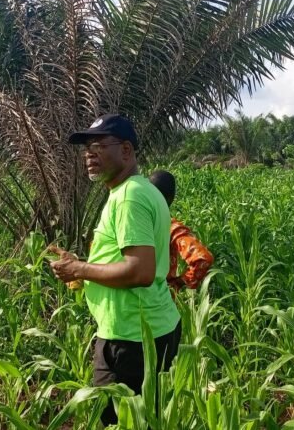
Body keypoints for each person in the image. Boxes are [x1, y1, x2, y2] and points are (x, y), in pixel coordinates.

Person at [49, 114, 180, 426]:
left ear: (125, 150)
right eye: (86, 148)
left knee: (121, 421)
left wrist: (79, 268)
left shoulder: (129, 197)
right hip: (143, 329)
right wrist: (81, 266)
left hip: (133, 339)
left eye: (98, 145)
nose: (89, 154)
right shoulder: (137, 191)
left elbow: (140, 271)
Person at [147, 170, 214, 295]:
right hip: (160, 300)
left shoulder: (133, 222)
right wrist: (180, 282)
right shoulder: (170, 226)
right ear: (171, 198)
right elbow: (203, 258)